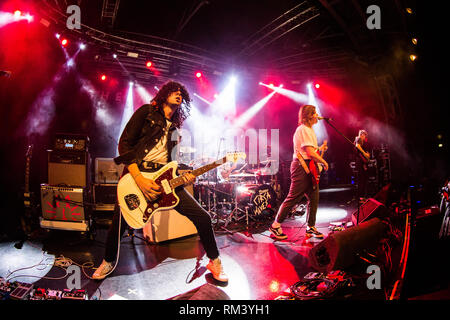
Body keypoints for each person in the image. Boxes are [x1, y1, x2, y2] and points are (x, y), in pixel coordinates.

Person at [93, 81, 228, 282]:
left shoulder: (174, 129)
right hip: (137, 175)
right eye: (174, 91)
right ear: (164, 94)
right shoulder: (147, 112)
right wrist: (139, 179)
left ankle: (214, 261)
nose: (179, 95)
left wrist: (186, 175)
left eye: (181, 93)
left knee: (203, 217)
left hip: (164, 180)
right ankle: (108, 261)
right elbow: (125, 143)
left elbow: (171, 163)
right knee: (118, 223)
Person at [269, 105, 328, 240]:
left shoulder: (309, 130)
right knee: (293, 197)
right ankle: (275, 225)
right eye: (315, 113)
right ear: (309, 115)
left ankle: (310, 226)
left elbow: (310, 150)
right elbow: (309, 152)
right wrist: (323, 162)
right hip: (301, 167)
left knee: (314, 197)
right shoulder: (303, 129)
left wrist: (320, 149)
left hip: (307, 166)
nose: (317, 115)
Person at [354, 129, 370, 202]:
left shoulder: (361, 140)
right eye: (364, 136)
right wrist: (365, 153)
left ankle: (362, 197)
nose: (365, 138)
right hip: (360, 162)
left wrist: (367, 156)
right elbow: (357, 146)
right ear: (362, 135)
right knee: (361, 180)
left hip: (362, 163)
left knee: (363, 180)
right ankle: (360, 197)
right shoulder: (358, 139)